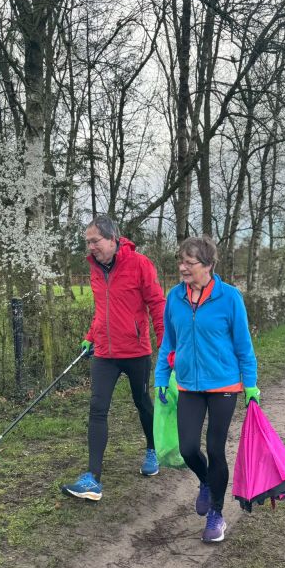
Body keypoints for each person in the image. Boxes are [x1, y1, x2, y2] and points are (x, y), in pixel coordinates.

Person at [154, 236, 259, 543]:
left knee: (215, 449)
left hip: (223, 384)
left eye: (189, 262)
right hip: (188, 384)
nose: (182, 267)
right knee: (188, 448)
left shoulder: (229, 297)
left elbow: (243, 345)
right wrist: (161, 377)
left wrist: (251, 384)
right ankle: (206, 482)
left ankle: (216, 514)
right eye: (181, 261)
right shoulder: (175, 297)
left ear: (208, 265)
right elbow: (168, 342)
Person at [61, 214, 166, 502]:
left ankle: (153, 449)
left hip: (136, 350)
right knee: (97, 408)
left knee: (142, 401)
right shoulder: (95, 268)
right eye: (87, 242)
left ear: (112, 239)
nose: (90, 247)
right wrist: (91, 336)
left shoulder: (140, 264)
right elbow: (102, 310)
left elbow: (157, 304)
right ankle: (92, 479)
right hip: (105, 353)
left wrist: (166, 343)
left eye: (95, 241)